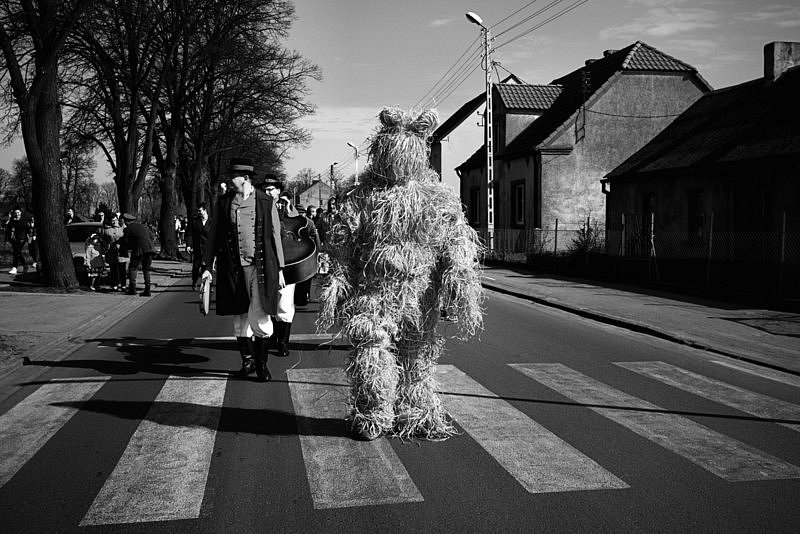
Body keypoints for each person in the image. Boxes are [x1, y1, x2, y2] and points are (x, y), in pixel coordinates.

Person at [203, 158, 285, 381]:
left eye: (233, 176)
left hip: (260, 267)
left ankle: (261, 365)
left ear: (246, 178)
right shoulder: (223, 203)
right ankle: (247, 360)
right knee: (239, 319)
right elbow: (213, 236)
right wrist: (207, 266)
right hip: (233, 269)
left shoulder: (266, 202)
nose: (229, 181)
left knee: (259, 316)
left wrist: (279, 270)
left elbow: (275, 235)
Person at [121, 212, 155, 296]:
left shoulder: (128, 229)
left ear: (126, 221)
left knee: (133, 268)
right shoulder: (144, 226)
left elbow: (127, 243)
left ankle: (132, 289)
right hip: (150, 250)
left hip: (139, 251)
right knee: (146, 270)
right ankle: (147, 290)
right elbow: (152, 236)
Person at [187, 202, 211, 290]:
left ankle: (207, 284)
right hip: (197, 247)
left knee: (207, 267)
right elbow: (189, 234)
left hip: (208, 248)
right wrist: (189, 245)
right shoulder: (195, 221)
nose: (198, 212)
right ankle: (194, 282)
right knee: (196, 267)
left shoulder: (211, 221)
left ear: (205, 210)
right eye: (197, 211)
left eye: (200, 211)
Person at [102, 213, 126, 291]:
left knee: (122, 269)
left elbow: (126, 238)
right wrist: (106, 245)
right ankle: (115, 284)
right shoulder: (107, 229)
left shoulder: (122, 227)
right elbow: (103, 239)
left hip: (121, 252)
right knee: (113, 269)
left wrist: (121, 244)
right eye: (112, 220)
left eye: (115, 220)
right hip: (111, 252)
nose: (114, 222)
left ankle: (123, 285)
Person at [4, 207, 29, 275]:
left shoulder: (23, 220)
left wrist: (15, 221)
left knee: (16, 252)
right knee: (18, 253)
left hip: (22, 238)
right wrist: (9, 218)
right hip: (14, 239)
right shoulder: (13, 219)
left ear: (20, 212)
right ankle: (25, 265)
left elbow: (22, 228)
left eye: (18, 212)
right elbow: (7, 226)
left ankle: (14, 268)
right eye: (16, 213)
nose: (17, 214)